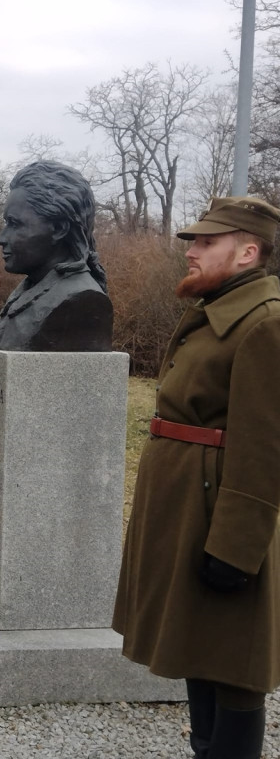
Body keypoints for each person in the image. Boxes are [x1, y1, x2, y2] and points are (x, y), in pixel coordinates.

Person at [113, 196, 280, 759]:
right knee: (198, 643)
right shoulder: (215, 308)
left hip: (220, 510)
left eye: (207, 241)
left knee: (231, 660)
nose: (193, 250)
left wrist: (236, 547)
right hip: (189, 502)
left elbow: (265, 447)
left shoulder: (265, 322)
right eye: (193, 240)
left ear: (247, 252)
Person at [0, 160, 113, 352]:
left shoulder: (83, 301)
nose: (1, 238)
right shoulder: (27, 290)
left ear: (59, 228)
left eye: (15, 224)